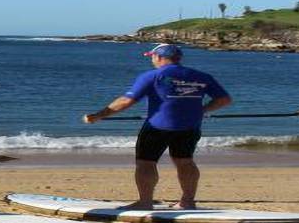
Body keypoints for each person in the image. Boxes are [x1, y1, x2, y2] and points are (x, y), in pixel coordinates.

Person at [83, 43, 231, 209]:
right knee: (185, 162)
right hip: (190, 126)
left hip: (157, 126)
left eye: (152, 57)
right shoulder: (202, 76)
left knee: (146, 163)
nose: (152, 60)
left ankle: (145, 202)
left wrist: (98, 115)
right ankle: (188, 201)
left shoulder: (152, 76)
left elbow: (126, 101)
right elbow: (224, 100)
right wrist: (202, 110)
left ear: (159, 57)